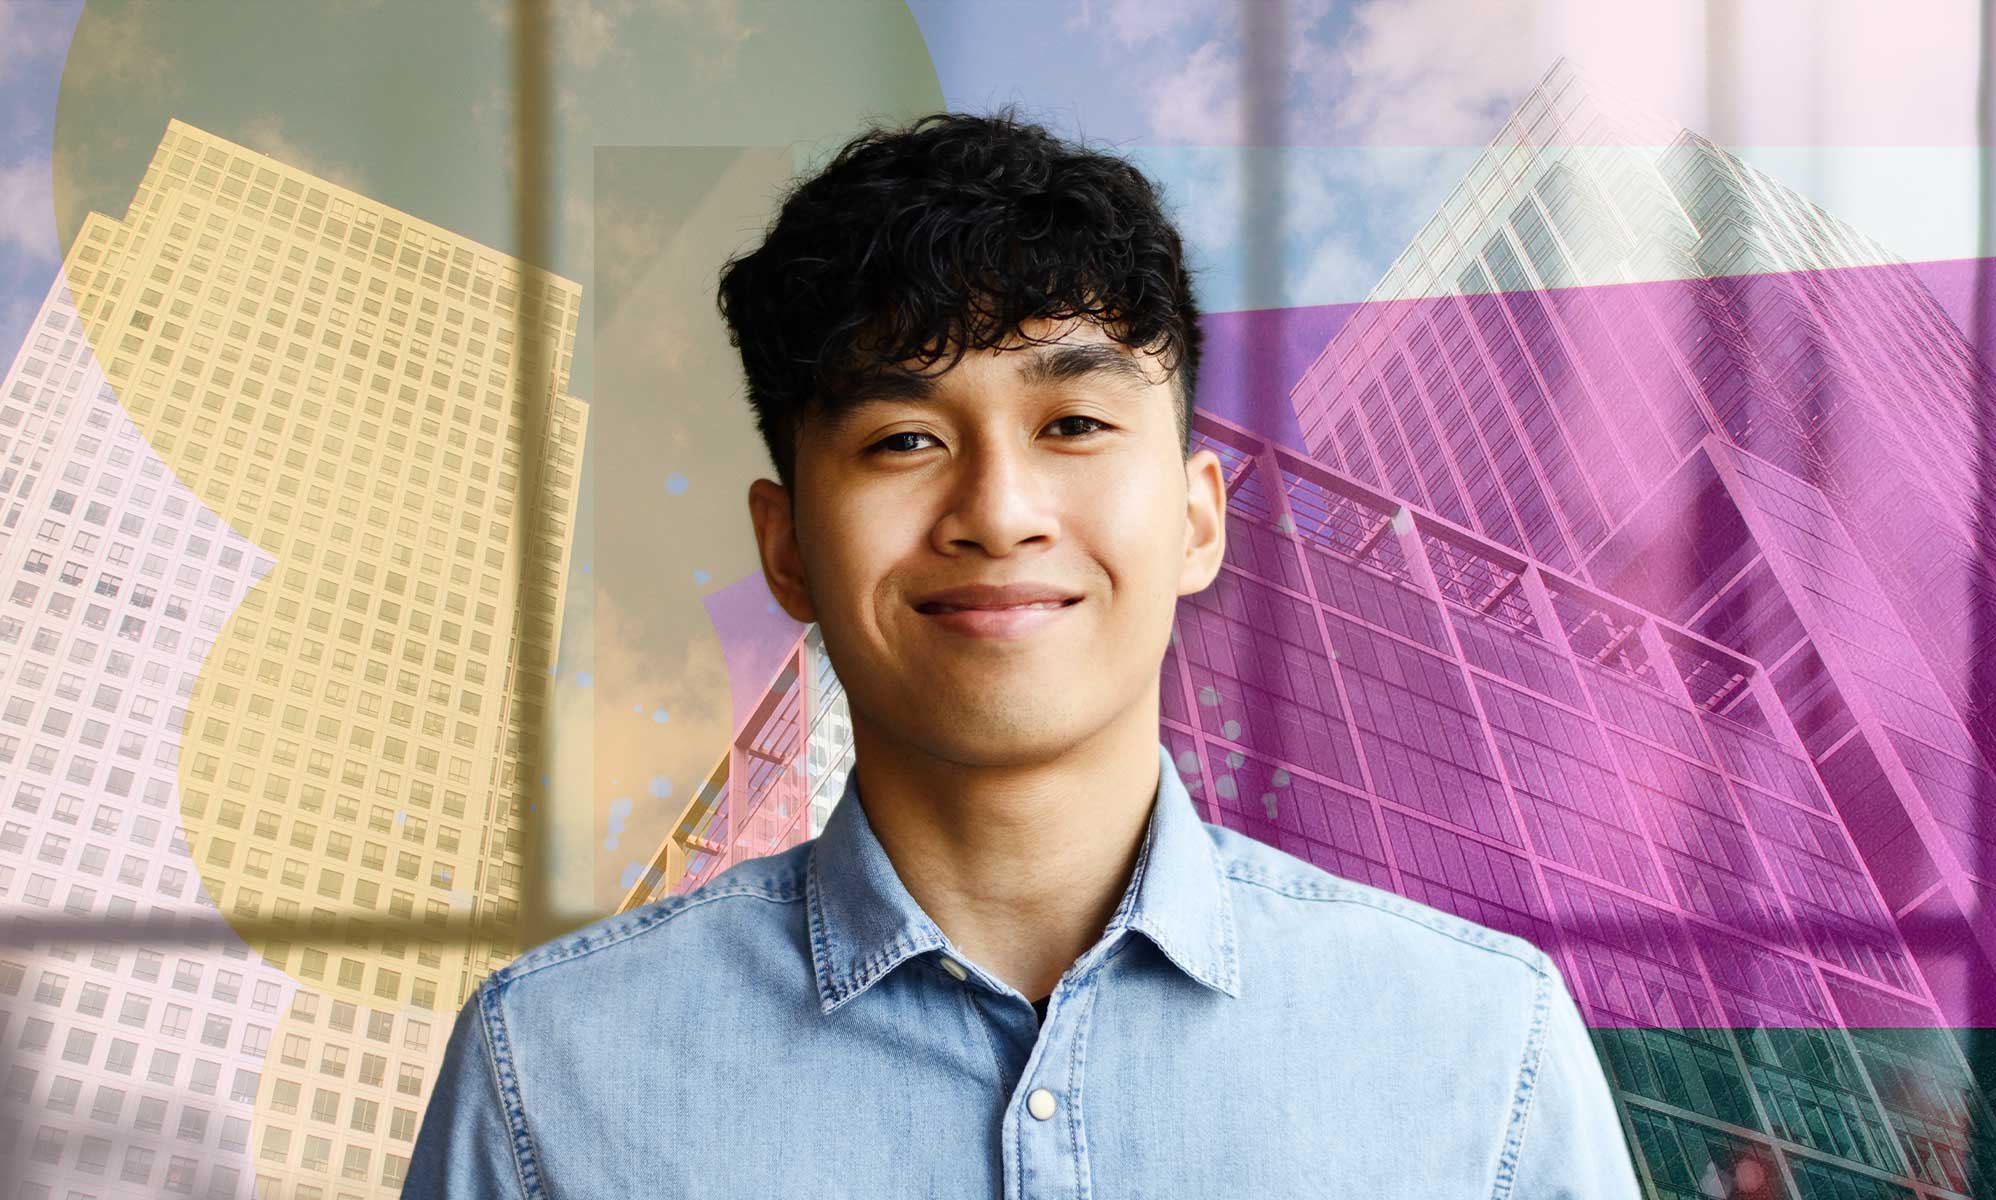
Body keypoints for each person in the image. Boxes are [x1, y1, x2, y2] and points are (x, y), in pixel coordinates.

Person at [405, 108, 1643, 1198]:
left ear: (1199, 517)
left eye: (1075, 421)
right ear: (784, 550)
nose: (998, 511)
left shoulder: (1484, 1049)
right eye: (900, 439)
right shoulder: (551, 1077)